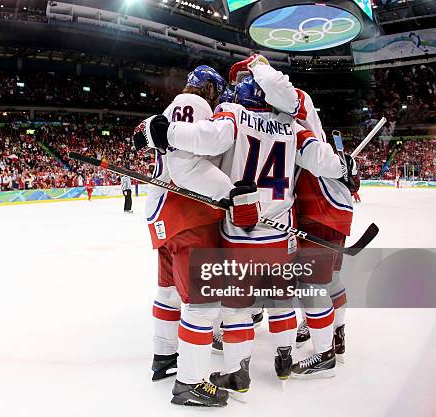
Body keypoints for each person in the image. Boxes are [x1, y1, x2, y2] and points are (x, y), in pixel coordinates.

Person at [159, 56, 347, 397]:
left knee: (238, 307)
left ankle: (237, 371)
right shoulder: (293, 127)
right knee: (283, 299)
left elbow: (209, 139)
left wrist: (167, 131)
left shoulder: (234, 114)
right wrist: (344, 167)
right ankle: (285, 357)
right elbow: (327, 163)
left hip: (241, 234)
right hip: (281, 234)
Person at [133, 65, 235, 407]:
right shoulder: (197, 107)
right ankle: (190, 384)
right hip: (187, 216)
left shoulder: (168, 109)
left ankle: (164, 358)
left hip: (161, 216)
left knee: (169, 293)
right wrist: (232, 194)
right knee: (203, 304)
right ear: (209, 89)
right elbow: (187, 167)